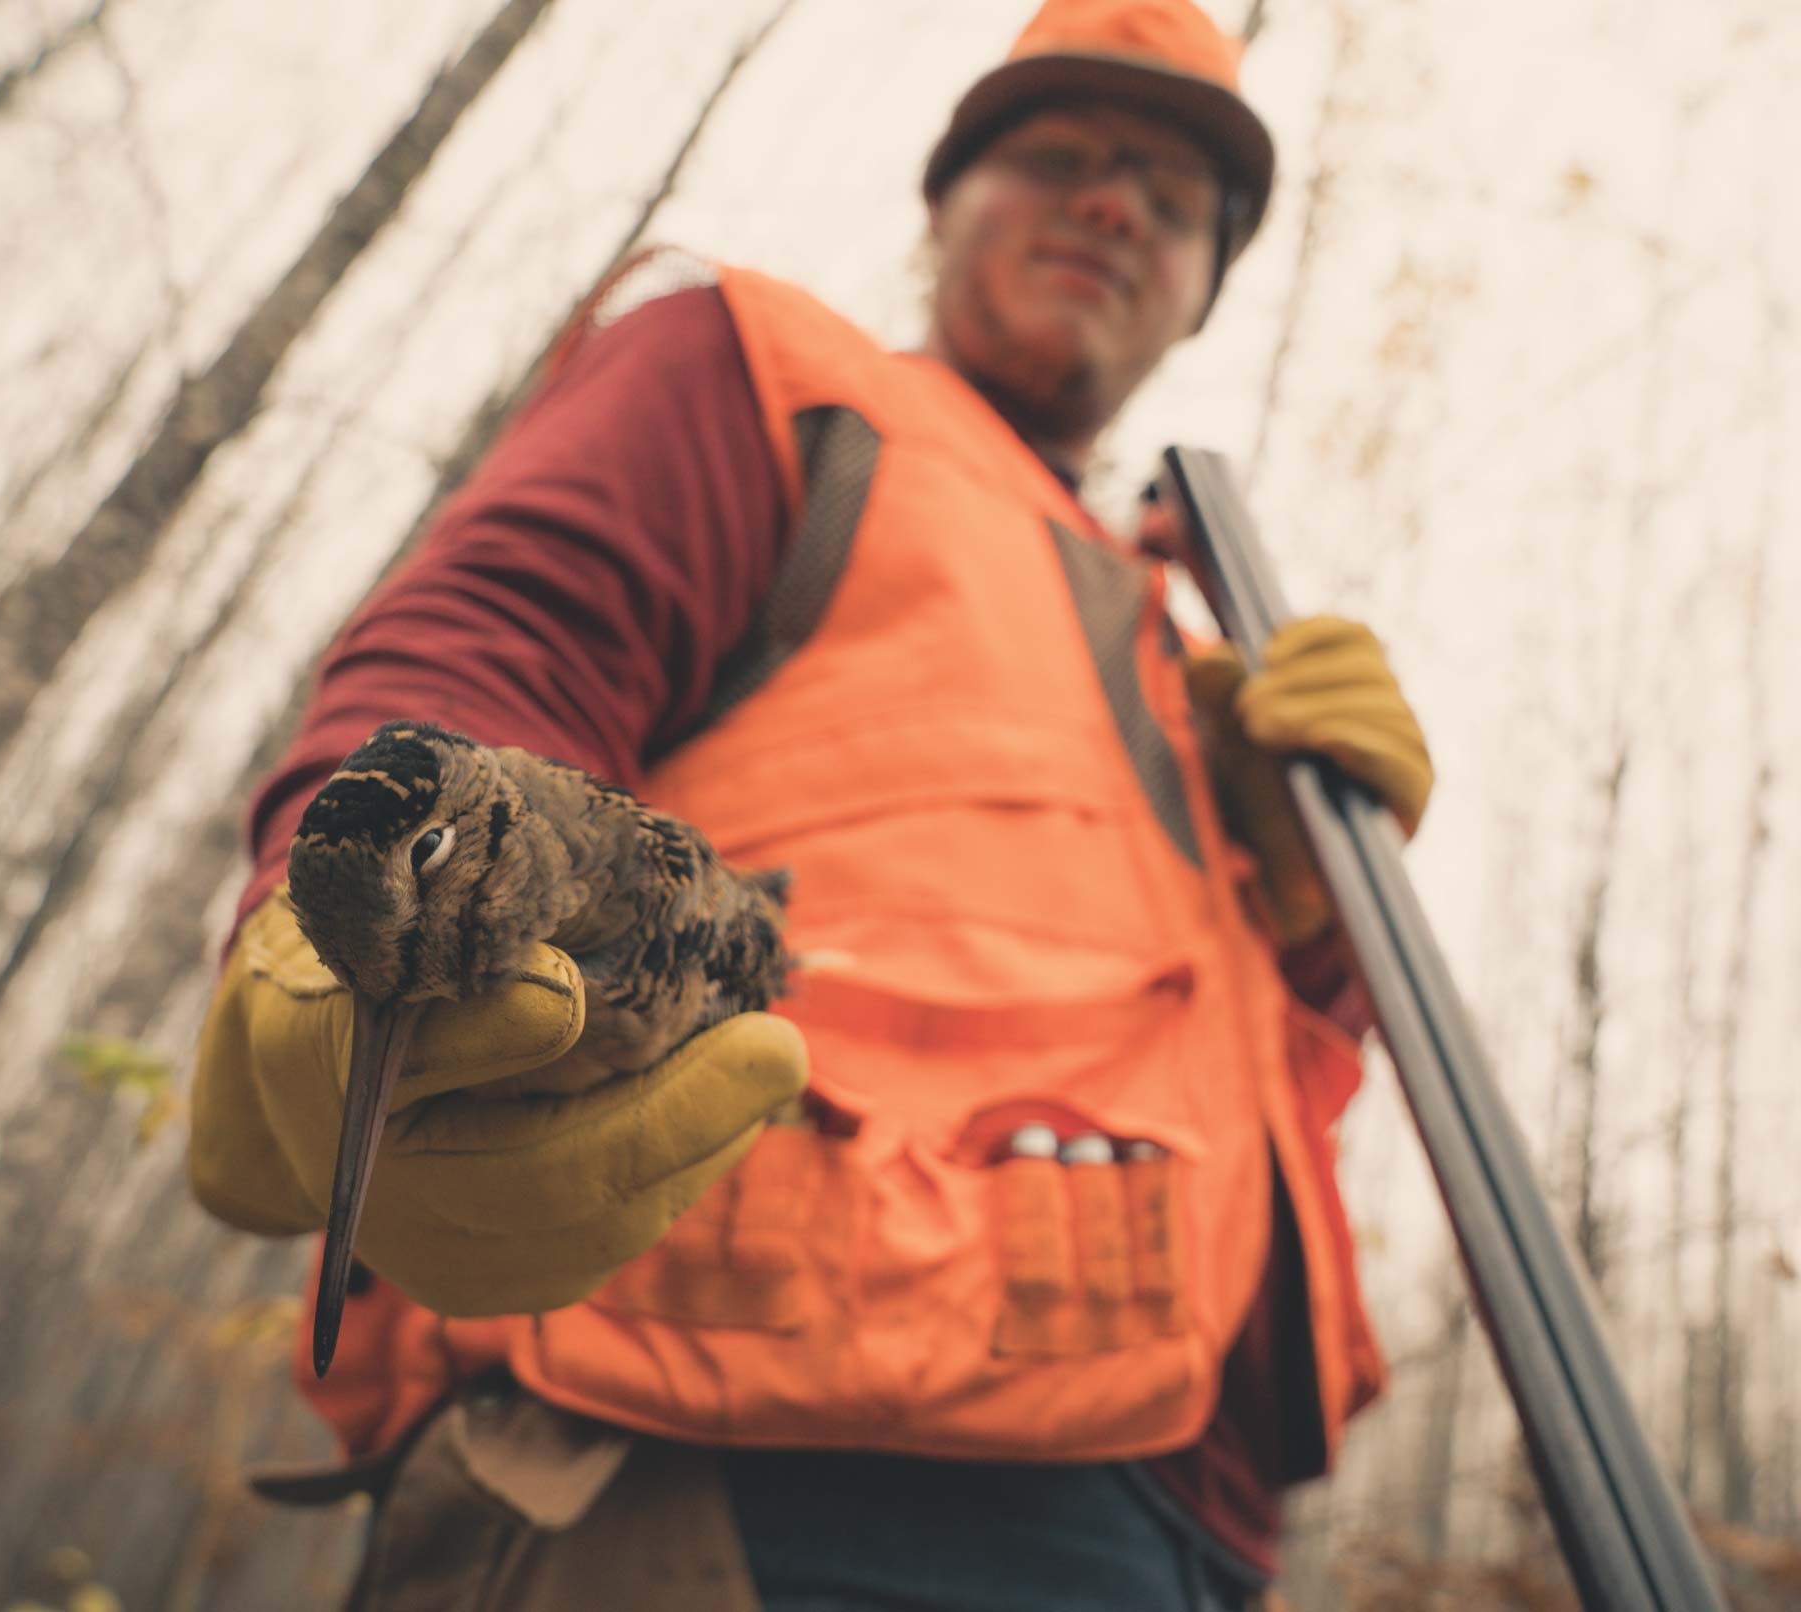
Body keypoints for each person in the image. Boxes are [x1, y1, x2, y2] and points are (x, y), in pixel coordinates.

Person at [189, 1, 1434, 1607]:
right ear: (944, 203)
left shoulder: (1195, 653)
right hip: (722, 1454)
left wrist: (1320, 901)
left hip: (1187, 1513)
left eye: (1176, 203)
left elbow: (1260, 1074)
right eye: (1061, 159)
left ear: (1199, 292)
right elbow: (493, 646)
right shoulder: (774, 377)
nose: (1118, 205)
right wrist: (335, 926)